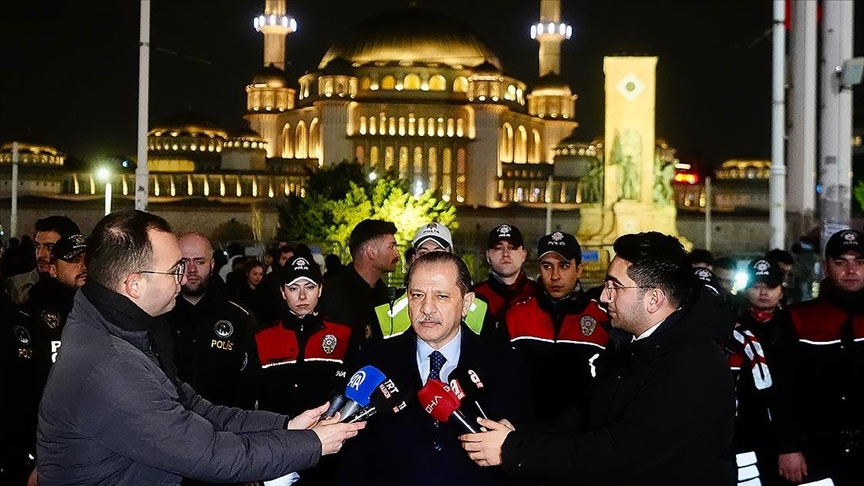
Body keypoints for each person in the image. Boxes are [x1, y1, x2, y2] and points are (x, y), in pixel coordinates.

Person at [36, 209, 364, 485]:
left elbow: (193, 408)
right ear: (135, 284)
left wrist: (286, 426)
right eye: (174, 269)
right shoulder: (109, 364)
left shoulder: (127, 332)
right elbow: (207, 452)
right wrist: (312, 444)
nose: (183, 278)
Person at [461, 231, 737, 486]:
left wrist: (510, 450)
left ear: (654, 299)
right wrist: (518, 434)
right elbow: (584, 420)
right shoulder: (636, 347)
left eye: (615, 286)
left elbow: (618, 452)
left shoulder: (692, 363)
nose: (604, 297)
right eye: (606, 284)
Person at [336, 251, 536, 486]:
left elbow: (523, 452)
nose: (427, 308)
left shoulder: (504, 362)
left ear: (467, 303)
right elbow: (353, 457)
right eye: (417, 295)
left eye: (441, 296)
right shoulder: (373, 361)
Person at [248, 254, 357, 485]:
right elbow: (248, 398)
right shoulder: (261, 336)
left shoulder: (343, 334)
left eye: (309, 286)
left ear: (320, 289)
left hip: (330, 452)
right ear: (282, 292)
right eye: (293, 287)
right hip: (277, 447)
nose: (302, 296)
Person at [773, 228, 864, 486]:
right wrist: (787, 446)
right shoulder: (797, 319)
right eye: (840, 262)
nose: (851, 270)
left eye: (859, 262)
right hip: (815, 451)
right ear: (826, 267)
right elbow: (781, 388)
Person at [2, 233, 88, 485]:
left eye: (88, 260)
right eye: (74, 260)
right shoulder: (30, 315)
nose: (83, 267)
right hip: (42, 448)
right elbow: (23, 393)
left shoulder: (101, 313)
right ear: (53, 267)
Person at [499, 230, 609, 422]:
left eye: (564, 266)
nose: (555, 276)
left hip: (581, 437)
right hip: (524, 434)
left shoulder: (602, 319)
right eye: (547, 266)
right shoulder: (516, 316)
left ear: (579, 269)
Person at [165, 231, 258, 411]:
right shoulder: (159, 315)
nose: (191, 270)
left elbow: (251, 381)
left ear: (212, 265)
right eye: (184, 262)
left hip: (225, 428)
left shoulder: (239, 317)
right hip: (170, 425)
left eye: (199, 261)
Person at [723, 258, 790, 486]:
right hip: (748, 428)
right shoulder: (732, 329)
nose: (763, 293)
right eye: (756, 286)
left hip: (790, 425)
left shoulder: (794, 324)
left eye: (770, 286)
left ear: (781, 290)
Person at [373, 222, 488, 339]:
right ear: (414, 258)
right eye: (423, 253)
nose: (427, 309)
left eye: (442, 296)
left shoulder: (480, 309)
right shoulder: (387, 309)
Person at [320, 219, 400, 348]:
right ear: (371, 251)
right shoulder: (334, 294)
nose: (397, 254)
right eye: (391, 247)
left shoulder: (385, 295)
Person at [472, 224, 538, 337]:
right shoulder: (473, 296)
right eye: (498, 248)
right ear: (488, 256)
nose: (505, 254)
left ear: (524, 255)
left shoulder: (538, 294)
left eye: (512, 248)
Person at [4, 215, 80, 305]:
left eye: (50, 247)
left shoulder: (83, 286)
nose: (40, 254)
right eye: (37, 246)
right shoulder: (14, 286)